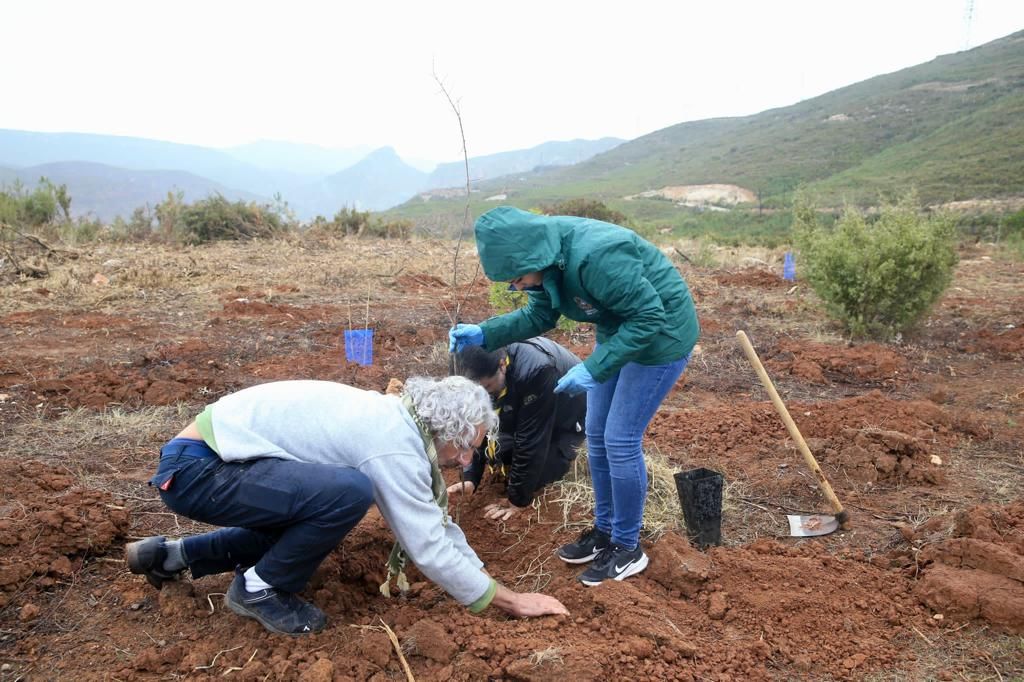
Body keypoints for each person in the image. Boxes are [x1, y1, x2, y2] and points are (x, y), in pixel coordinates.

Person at [125, 376, 568, 635]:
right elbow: (428, 545)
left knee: (309, 512)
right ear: (446, 433)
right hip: (196, 471)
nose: (468, 461)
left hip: (206, 462)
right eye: (468, 448)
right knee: (348, 494)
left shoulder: (398, 417)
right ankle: (259, 588)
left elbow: (436, 524)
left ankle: (172, 556)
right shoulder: (393, 446)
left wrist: (485, 580)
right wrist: (510, 602)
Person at [449, 206, 699, 586]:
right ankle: (604, 533)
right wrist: (485, 333)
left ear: (536, 257)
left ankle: (628, 547)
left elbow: (650, 317)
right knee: (596, 435)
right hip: (619, 331)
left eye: (517, 278)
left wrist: (594, 368)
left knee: (620, 438)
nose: (516, 287)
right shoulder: (546, 264)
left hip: (660, 337)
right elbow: (539, 315)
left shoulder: (597, 256)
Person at [449, 338, 586, 521]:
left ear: (502, 365)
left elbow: (531, 440)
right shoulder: (484, 373)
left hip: (569, 418)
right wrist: (470, 477)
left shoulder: (537, 370)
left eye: (489, 386)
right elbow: (478, 425)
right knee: (501, 451)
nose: (485, 393)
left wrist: (517, 500)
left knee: (540, 477)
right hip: (528, 405)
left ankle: (565, 453)